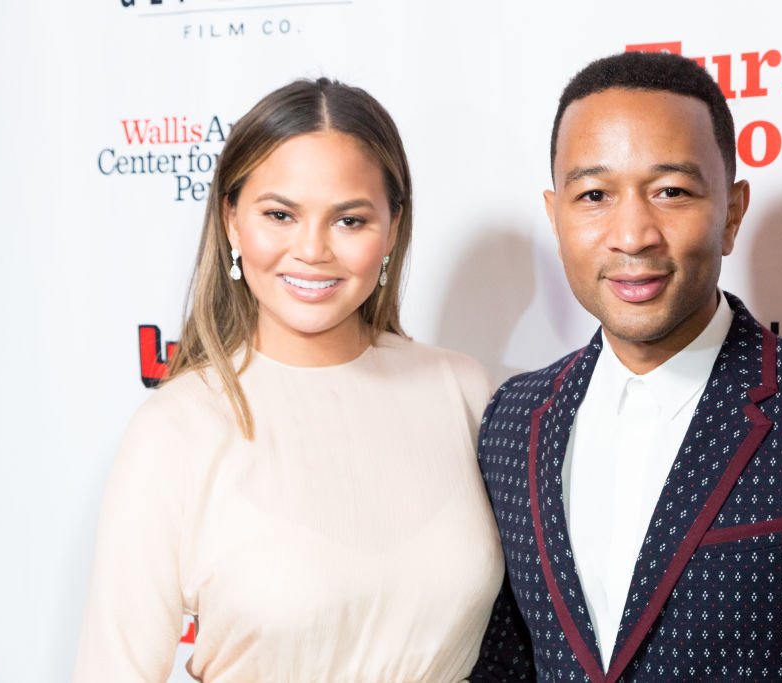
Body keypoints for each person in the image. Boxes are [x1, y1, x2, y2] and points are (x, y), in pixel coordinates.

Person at [471, 52, 782, 682]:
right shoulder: (514, 418)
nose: (632, 235)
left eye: (671, 192)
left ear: (732, 212)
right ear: (556, 216)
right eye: (594, 195)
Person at [74, 78, 503, 682]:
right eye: (279, 214)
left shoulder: (462, 391)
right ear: (231, 219)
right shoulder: (178, 426)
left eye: (349, 220)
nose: (311, 250)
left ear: (392, 227)